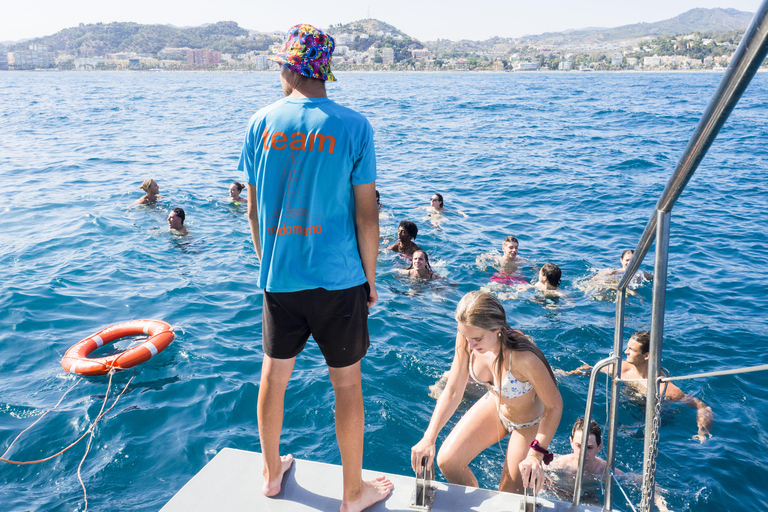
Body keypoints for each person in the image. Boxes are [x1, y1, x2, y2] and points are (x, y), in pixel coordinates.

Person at [237, 24, 391, 512]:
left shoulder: (260, 123)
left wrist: (269, 266)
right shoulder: (354, 126)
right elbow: (367, 216)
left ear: (289, 66)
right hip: (340, 278)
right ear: (324, 71)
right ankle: (353, 493)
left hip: (279, 276)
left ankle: (270, 474)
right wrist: (370, 278)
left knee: (273, 378)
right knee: (346, 385)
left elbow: (253, 211)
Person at [411, 291, 562, 494]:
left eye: (477, 339)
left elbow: (554, 406)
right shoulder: (468, 337)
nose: (470, 345)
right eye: (465, 336)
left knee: (508, 494)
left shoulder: (524, 357)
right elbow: (453, 390)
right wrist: (429, 437)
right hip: (496, 405)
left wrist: (536, 454)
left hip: (528, 423)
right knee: (448, 461)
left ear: (497, 328)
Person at [560, 331, 713, 442]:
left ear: (646, 355)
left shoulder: (665, 388)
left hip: (658, 413)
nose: (626, 352)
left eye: (632, 350)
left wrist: (703, 431)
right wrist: (568, 374)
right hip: (630, 402)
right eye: (627, 348)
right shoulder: (622, 369)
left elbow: (702, 407)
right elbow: (592, 368)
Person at [547, 418, 670, 511]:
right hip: (563, 491)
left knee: (596, 505)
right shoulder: (561, 464)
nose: (583, 453)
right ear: (571, 442)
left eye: (589, 447)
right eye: (578, 446)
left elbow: (645, 481)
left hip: (590, 495)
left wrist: (662, 506)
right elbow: (540, 470)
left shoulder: (604, 471)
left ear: (599, 447)